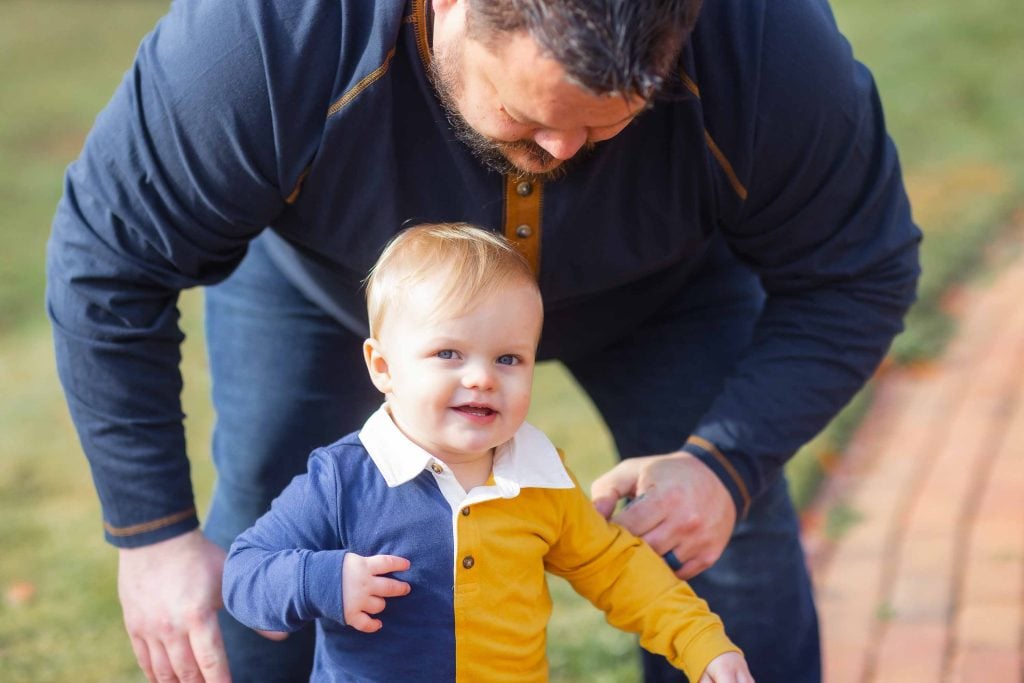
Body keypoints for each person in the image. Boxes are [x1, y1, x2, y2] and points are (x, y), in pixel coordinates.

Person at [45, 0, 921, 681]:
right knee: (266, 533)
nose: (561, 149)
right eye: (524, 116)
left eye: (604, 126)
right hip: (336, 289)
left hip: (663, 291)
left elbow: (861, 270)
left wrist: (726, 465)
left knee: (729, 549)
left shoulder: (767, 47)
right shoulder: (267, 40)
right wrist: (151, 534)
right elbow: (107, 262)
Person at [222, 223, 753, 682]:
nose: (481, 378)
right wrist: (323, 580)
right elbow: (245, 574)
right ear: (383, 367)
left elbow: (617, 570)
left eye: (508, 358)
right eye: (448, 353)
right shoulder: (343, 479)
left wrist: (699, 640)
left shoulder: (541, 479)